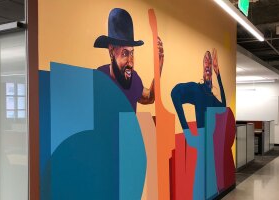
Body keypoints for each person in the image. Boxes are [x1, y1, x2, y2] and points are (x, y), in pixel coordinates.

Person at [171, 49, 226, 200]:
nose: (208, 64)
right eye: (205, 61)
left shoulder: (210, 96)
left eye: (210, 61)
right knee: (200, 180)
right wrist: (187, 132)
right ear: (203, 66)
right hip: (202, 138)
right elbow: (174, 93)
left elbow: (223, 108)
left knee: (209, 181)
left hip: (210, 140)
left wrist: (219, 74)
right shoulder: (196, 88)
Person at [94, 8, 164, 111]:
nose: (130, 62)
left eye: (132, 53)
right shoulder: (100, 78)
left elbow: (149, 98)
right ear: (111, 51)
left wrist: (159, 65)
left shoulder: (134, 79)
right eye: (125, 53)